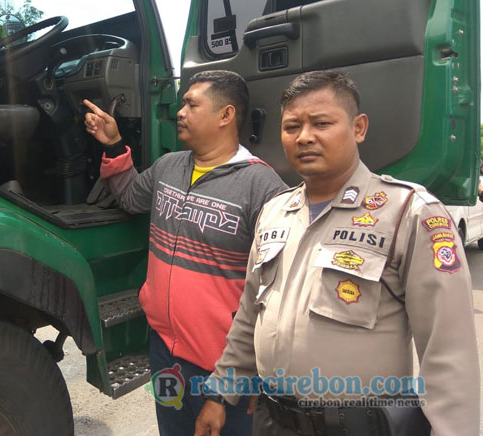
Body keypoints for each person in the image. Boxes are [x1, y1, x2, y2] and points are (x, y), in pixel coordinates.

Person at [194, 71, 480, 436]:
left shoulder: (408, 212)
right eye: (292, 126)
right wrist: (221, 392)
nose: (305, 137)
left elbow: (448, 354)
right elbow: (250, 313)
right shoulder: (275, 211)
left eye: (322, 123)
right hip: (272, 422)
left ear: (359, 128)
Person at [84, 70, 287, 435]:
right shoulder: (169, 166)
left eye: (192, 104)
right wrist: (113, 145)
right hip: (164, 351)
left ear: (226, 115)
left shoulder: (263, 187)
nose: (180, 112)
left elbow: (278, 289)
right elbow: (131, 197)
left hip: (225, 365)